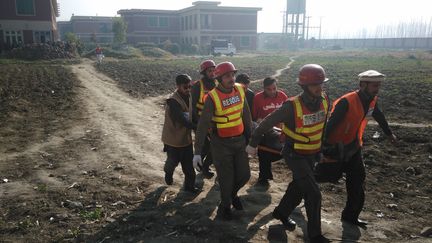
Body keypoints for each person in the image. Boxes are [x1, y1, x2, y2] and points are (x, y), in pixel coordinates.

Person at [246, 64, 331, 243]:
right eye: (315, 84)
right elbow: (265, 124)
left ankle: (281, 212)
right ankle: (315, 235)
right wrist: (253, 144)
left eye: (321, 83)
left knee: (299, 186)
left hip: (312, 153)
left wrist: (321, 150)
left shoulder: (324, 99)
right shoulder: (291, 106)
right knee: (313, 193)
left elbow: (322, 128)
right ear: (304, 86)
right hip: (295, 154)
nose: (320, 87)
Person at [323, 70, 397, 228]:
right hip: (336, 148)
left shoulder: (372, 100)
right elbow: (330, 125)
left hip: (354, 146)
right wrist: (321, 147)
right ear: (363, 84)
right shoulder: (346, 101)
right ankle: (290, 202)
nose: (377, 88)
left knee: (357, 181)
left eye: (379, 85)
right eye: (374, 85)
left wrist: (389, 133)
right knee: (321, 177)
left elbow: (379, 115)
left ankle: (350, 216)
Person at [193, 61, 252, 220]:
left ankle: (232, 194)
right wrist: (197, 152)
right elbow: (203, 125)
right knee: (226, 178)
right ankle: (224, 207)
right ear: (219, 78)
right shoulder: (212, 97)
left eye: (232, 74)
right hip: (221, 144)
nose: (231, 78)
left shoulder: (240, 89)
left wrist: (251, 141)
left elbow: (246, 115)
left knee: (245, 175)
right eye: (227, 76)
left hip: (239, 141)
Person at [161, 74, 199, 193]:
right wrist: (197, 128)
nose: (188, 89)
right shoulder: (173, 102)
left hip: (185, 139)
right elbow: (182, 120)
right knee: (172, 162)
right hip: (173, 140)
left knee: (188, 167)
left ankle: (189, 187)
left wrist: (200, 123)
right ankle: (168, 172)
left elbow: (192, 113)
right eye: (185, 87)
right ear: (178, 86)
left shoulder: (189, 96)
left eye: (189, 87)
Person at [252, 77, 288, 185]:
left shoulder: (283, 96)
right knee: (263, 154)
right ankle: (264, 177)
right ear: (264, 88)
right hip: (265, 132)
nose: (272, 91)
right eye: (269, 89)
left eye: (274, 88)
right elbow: (254, 117)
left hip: (281, 132)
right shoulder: (258, 98)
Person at [191, 60, 217, 179]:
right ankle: (200, 166)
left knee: (216, 145)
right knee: (204, 146)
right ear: (204, 72)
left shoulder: (217, 85)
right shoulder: (197, 86)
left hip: (215, 122)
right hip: (201, 122)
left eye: (213, 70)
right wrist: (198, 124)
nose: (212, 73)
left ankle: (205, 166)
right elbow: (193, 107)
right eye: (209, 71)